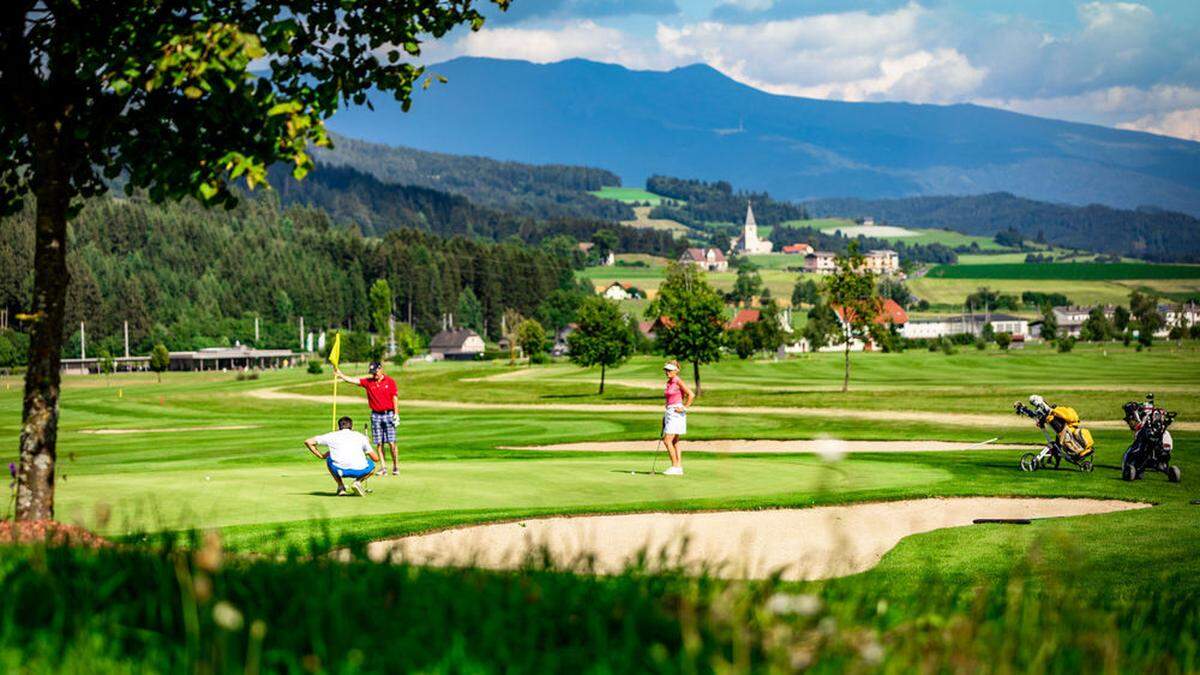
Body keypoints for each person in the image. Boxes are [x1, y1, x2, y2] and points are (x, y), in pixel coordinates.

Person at [333, 361, 401, 475]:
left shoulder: (390, 381)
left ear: (381, 369)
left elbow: (395, 398)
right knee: (379, 443)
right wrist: (341, 375)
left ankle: (395, 466)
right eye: (372, 373)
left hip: (389, 414)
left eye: (375, 372)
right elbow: (353, 381)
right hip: (375, 415)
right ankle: (383, 467)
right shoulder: (368, 382)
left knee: (391, 443)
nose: (374, 375)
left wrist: (396, 414)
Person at [305, 416, 379, 496]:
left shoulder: (332, 435)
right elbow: (376, 458)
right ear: (352, 426)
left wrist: (321, 456)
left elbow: (308, 442)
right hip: (360, 471)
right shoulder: (361, 437)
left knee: (329, 459)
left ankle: (341, 487)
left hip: (340, 471)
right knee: (372, 465)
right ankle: (357, 482)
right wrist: (366, 444)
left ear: (338, 427)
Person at [660, 360, 695, 476]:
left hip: (676, 412)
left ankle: (674, 466)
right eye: (666, 369)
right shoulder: (669, 382)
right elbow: (670, 399)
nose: (667, 372)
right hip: (670, 412)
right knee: (675, 441)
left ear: (676, 371)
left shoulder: (677, 380)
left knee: (667, 440)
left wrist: (684, 408)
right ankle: (679, 467)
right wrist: (665, 416)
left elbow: (691, 394)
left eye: (669, 370)